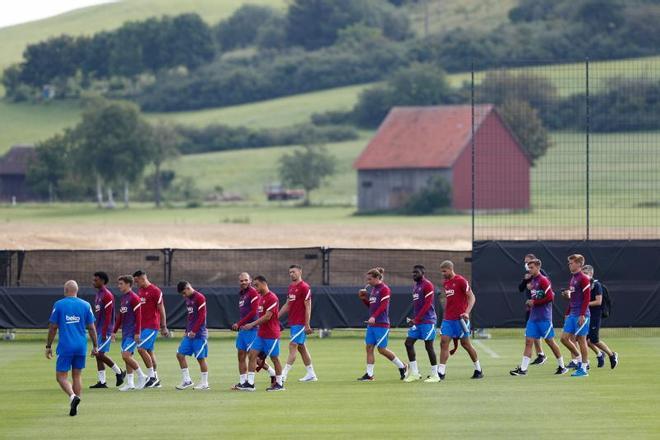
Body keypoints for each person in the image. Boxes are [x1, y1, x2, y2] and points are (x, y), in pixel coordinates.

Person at [46, 280, 98, 416]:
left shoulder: (59, 304)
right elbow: (92, 328)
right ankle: (76, 405)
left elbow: (53, 327)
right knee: (77, 375)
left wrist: (48, 345)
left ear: (65, 290)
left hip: (66, 346)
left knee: (61, 377)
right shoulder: (86, 305)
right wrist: (96, 346)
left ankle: (72, 397)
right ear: (77, 290)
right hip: (81, 346)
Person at [510, 259, 569, 376]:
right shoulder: (533, 280)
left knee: (550, 342)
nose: (529, 269)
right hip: (533, 318)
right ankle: (523, 369)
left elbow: (550, 297)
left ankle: (562, 366)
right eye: (529, 267)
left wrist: (534, 302)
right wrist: (530, 302)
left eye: (531, 267)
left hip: (544, 318)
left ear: (537, 267)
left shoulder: (543, 280)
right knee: (528, 342)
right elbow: (533, 295)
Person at [357, 267, 407, 381]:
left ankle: (402, 366)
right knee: (369, 347)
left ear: (377, 278)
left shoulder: (384, 289)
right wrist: (364, 299)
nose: (368, 282)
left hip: (381, 324)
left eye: (370, 279)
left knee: (382, 349)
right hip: (372, 325)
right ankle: (369, 375)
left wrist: (374, 317)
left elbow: (383, 306)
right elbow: (372, 306)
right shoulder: (374, 289)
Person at [437, 260, 483, 380]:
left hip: (460, 320)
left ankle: (478, 369)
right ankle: (441, 372)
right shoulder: (446, 283)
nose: (443, 273)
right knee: (443, 342)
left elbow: (472, 297)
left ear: (450, 269)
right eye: (441, 271)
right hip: (448, 319)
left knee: (466, 344)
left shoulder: (461, 281)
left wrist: (467, 312)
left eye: (444, 271)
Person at [238, 275, 285, 392]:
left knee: (275, 358)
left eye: (257, 285)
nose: (255, 288)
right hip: (261, 334)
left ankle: (279, 383)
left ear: (264, 284)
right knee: (252, 355)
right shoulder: (260, 298)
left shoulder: (272, 298)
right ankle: (250, 383)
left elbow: (268, 317)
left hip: (271, 334)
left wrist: (252, 324)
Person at [231, 272, 276, 389]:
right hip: (243, 330)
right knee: (241, 355)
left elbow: (253, 312)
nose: (244, 282)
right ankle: (243, 382)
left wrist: (239, 323)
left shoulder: (253, 292)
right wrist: (241, 325)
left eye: (246, 280)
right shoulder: (241, 294)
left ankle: (272, 373)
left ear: (250, 280)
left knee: (254, 357)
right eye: (241, 281)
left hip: (252, 329)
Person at [279, 264, 318, 383]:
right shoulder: (291, 287)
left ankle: (283, 374)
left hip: (301, 323)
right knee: (301, 347)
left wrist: (307, 324)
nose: (291, 274)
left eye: (294, 272)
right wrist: (275, 317)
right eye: (290, 272)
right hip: (293, 322)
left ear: (300, 272)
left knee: (293, 345)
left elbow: (308, 307)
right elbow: (287, 305)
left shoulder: (305, 287)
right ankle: (311, 374)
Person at [133, 270, 169, 388]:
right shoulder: (140, 290)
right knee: (149, 351)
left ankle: (151, 377)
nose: (136, 283)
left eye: (137, 281)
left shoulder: (155, 291)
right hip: (142, 326)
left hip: (151, 326)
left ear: (143, 278)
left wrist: (163, 326)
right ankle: (156, 379)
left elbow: (161, 309)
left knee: (141, 348)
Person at [89, 271, 125, 389]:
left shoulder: (107, 295)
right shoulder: (98, 294)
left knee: (99, 353)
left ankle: (119, 372)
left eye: (96, 280)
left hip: (106, 329)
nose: (94, 282)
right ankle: (102, 382)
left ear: (103, 281)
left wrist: (105, 332)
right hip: (99, 329)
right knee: (98, 355)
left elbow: (109, 316)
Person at [403, 265, 439, 383]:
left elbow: (428, 304)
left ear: (423, 273)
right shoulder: (415, 287)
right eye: (413, 273)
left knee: (429, 347)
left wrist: (416, 319)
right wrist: (415, 319)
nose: (414, 274)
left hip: (428, 321)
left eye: (416, 272)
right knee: (408, 343)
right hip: (418, 322)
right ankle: (415, 373)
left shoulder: (427, 285)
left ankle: (435, 375)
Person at [112, 275, 148, 391]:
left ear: (128, 284)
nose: (119, 286)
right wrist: (114, 331)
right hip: (125, 333)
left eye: (121, 284)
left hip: (132, 333)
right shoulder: (124, 298)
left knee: (125, 355)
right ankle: (130, 383)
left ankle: (142, 376)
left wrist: (137, 333)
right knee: (127, 357)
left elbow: (139, 317)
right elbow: (120, 317)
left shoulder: (134, 298)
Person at [560, 254, 591, 377]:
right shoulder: (573, 278)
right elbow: (573, 298)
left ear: (579, 264)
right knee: (563, 339)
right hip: (572, 314)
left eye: (571, 263)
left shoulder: (583, 278)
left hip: (581, 315)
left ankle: (584, 368)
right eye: (569, 263)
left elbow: (587, 297)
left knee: (581, 340)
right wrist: (568, 311)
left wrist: (582, 314)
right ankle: (579, 360)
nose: (569, 264)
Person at [175, 281, 210, 390]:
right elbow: (190, 316)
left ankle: (205, 383)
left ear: (188, 287)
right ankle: (187, 380)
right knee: (180, 355)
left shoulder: (200, 298)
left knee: (200, 358)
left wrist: (194, 330)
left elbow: (202, 316)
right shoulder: (188, 299)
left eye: (184, 293)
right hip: (189, 334)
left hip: (199, 334)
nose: (183, 296)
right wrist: (187, 330)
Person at [583, 265, 618, 369]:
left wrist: (584, 303)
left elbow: (598, 302)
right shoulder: (583, 285)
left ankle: (612, 355)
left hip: (595, 315)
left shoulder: (596, 285)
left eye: (586, 273)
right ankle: (598, 355)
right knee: (584, 339)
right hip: (586, 315)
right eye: (582, 274)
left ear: (591, 274)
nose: (584, 276)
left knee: (593, 339)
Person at [518, 254, 547, 365]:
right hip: (531, 308)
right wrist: (526, 281)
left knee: (549, 338)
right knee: (531, 333)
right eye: (526, 263)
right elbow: (520, 288)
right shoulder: (529, 275)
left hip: (540, 308)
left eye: (529, 262)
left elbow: (548, 290)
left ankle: (562, 364)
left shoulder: (541, 274)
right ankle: (540, 354)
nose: (527, 265)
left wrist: (535, 294)